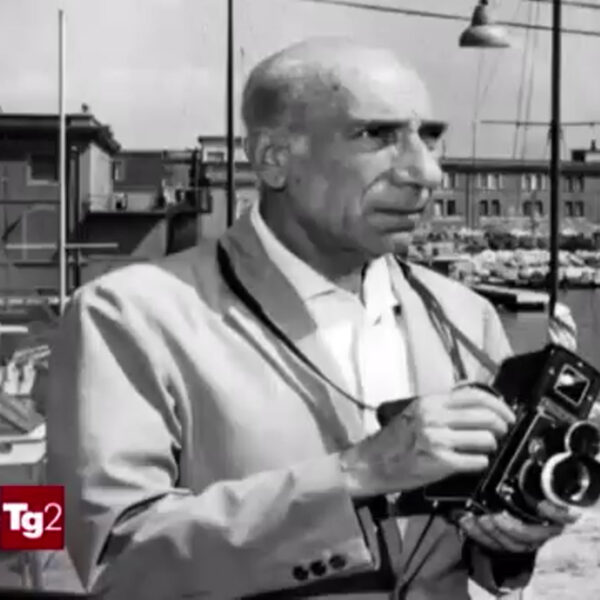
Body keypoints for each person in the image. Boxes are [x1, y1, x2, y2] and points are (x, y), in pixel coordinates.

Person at [47, 38, 578, 600]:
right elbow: (119, 563)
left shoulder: (466, 315)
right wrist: (354, 473)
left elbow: (472, 548)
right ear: (274, 158)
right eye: (376, 135)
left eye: (430, 137)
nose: (426, 172)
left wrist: (512, 538)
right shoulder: (130, 316)